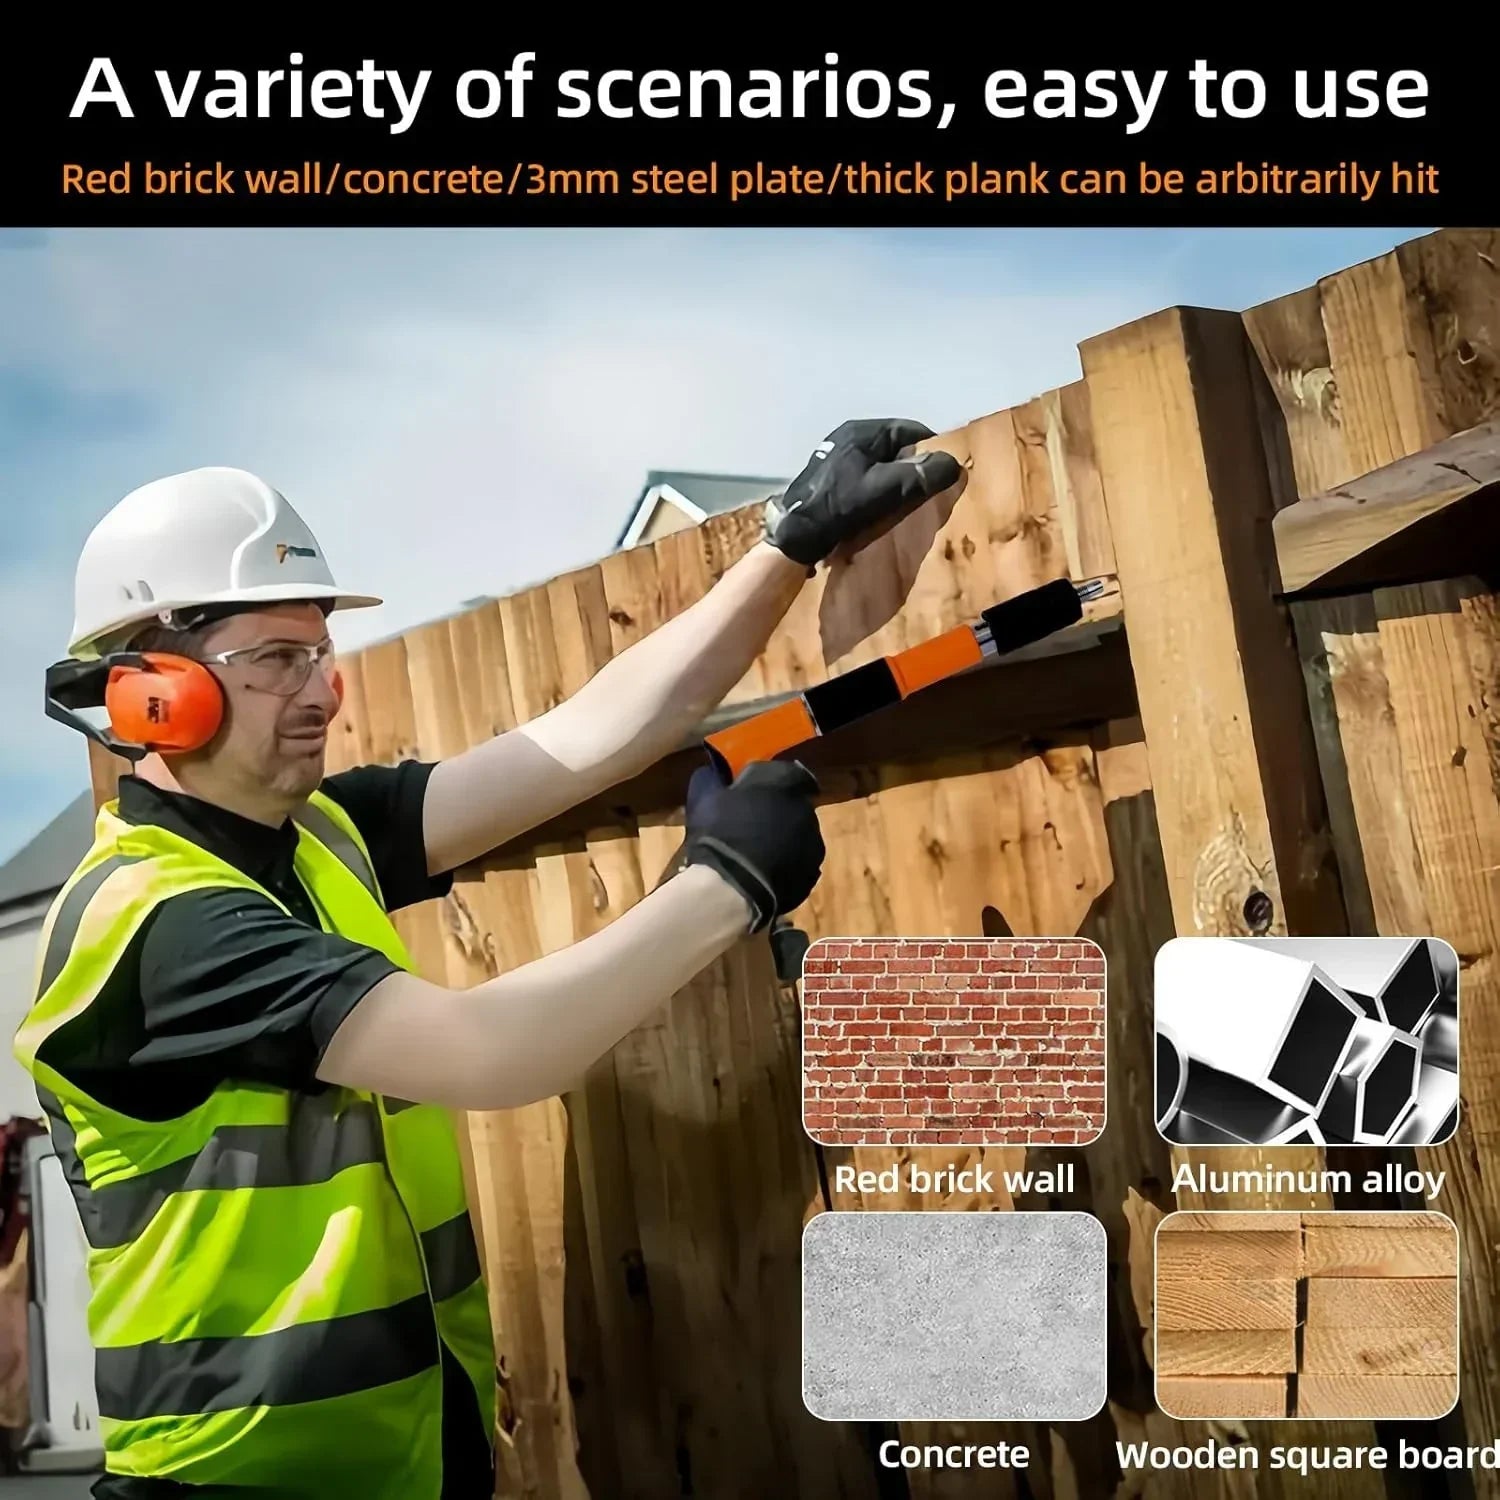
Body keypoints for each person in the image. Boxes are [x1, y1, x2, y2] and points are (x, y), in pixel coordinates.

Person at [12, 419, 961, 1497]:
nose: (326, 692)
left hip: (420, 1458)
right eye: (277, 659)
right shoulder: (157, 922)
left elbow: (588, 736)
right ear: (148, 696)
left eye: (322, 652)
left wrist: (783, 546)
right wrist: (725, 888)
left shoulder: (319, 837)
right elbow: (492, 1054)